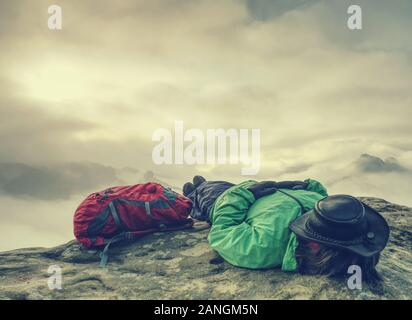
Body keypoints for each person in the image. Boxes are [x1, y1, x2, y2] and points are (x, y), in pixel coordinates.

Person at [183, 176, 390, 283]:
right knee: (216, 184)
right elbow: (325, 197)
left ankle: (195, 191)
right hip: (264, 189)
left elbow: (222, 231)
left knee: (204, 192)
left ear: (314, 244)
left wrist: (245, 194)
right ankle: (201, 185)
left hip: (226, 200)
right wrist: (308, 186)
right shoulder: (330, 220)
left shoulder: (263, 246)